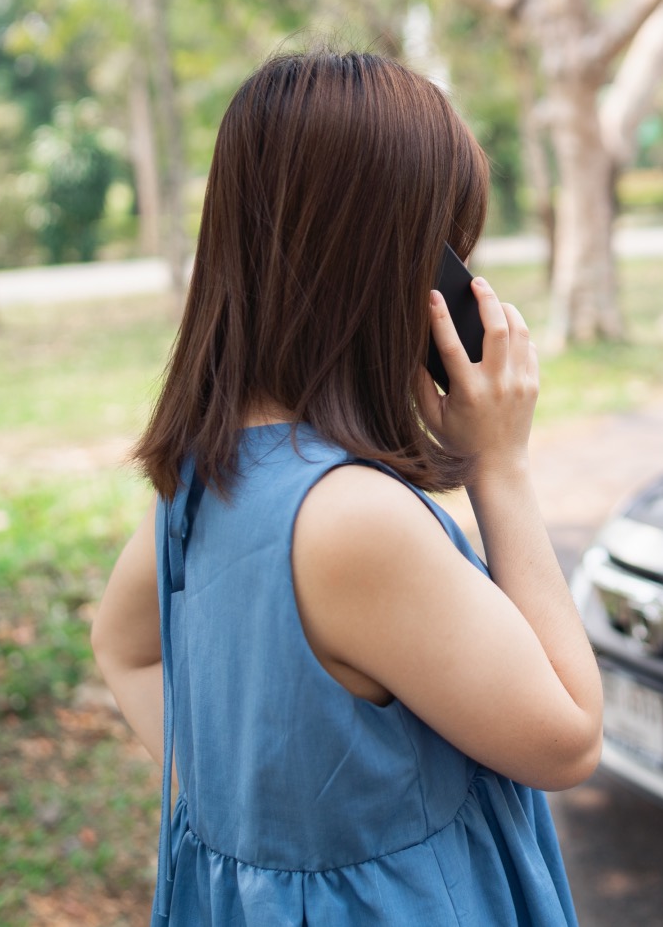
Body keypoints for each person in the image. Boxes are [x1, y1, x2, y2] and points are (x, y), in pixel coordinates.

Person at [90, 49, 600, 926]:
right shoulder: (351, 520)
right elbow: (568, 737)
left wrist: (244, 828)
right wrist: (500, 466)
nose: (467, 284)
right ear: (390, 270)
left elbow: (125, 646)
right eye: (451, 251)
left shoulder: (206, 477)